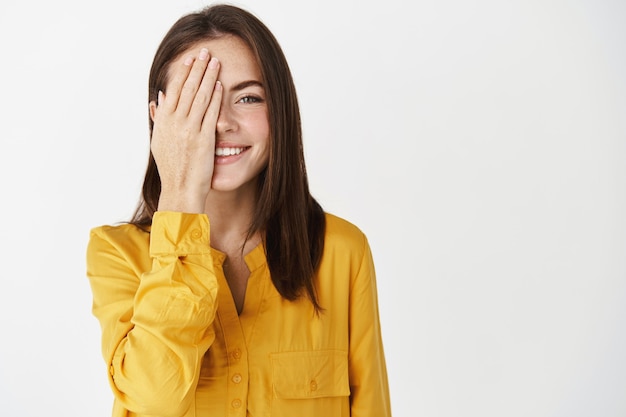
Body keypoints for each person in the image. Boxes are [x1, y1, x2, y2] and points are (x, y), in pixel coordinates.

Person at [86, 4, 391, 416]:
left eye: (247, 97)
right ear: (158, 118)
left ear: (279, 110)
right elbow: (152, 400)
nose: (222, 122)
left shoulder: (342, 251)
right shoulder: (117, 254)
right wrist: (179, 198)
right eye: (196, 101)